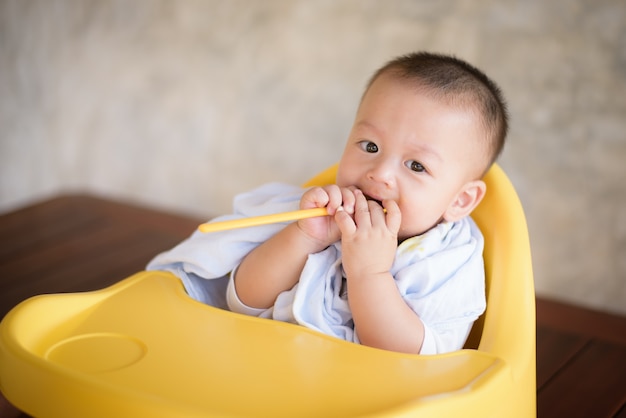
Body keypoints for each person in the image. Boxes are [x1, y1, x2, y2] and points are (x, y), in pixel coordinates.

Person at [147, 51, 508, 355]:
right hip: (265, 363)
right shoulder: (317, 215)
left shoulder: (447, 259)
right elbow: (242, 302)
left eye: (416, 165)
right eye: (370, 146)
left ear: (460, 200)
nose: (379, 173)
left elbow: (407, 358)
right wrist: (304, 237)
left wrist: (370, 273)